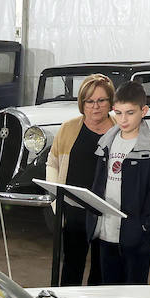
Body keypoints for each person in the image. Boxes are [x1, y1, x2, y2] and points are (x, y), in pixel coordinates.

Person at [86, 81, 150, 285]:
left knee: (133, 289)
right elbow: (98, 182)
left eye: (130, 113)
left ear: (143, 111)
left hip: (136, 235)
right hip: (107, 230)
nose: (123, 119)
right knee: (108, 286)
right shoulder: (106, 143)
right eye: (118, 113)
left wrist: (145, 226)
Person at [46, 73, 113, 286]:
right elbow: (52, 163)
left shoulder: (119, 130)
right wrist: (56, 201)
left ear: (110, 102)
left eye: (101, 100)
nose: (95, 107)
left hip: (106, 212)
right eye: (89, 101)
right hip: (74, 210)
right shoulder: (68, 128)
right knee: (71, 267)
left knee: (102, 269)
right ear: (82, 103)